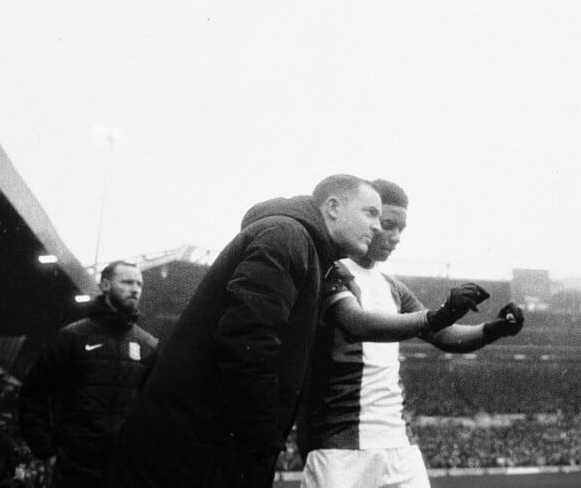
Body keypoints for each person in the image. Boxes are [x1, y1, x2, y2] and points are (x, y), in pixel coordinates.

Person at [104, 175, 383, 488]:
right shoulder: (286, 236)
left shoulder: (298, 243)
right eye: (370, 213)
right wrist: (262, 441)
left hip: (200, 444)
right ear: (332, 207)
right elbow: (248, 340)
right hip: (198, 451)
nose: (378, 227)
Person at [297, 179, 524, 488]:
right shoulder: (329, 271)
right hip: (339, 448)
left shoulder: (393, 287)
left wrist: (493, 329)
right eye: (387, 224)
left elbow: (443, 335)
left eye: (401, 229)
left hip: (400, 446)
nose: (394, 236)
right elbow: (357, 323)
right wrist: (438, 314)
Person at [18, 261, 158, 488]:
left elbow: (155, 408)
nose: (135, 289)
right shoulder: (72, 337)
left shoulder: (149, 346)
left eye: (139, 284)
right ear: (104, 285)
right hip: (73, 469)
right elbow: (33, 395)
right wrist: (45, 450)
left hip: (122, 471)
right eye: (127, 282)